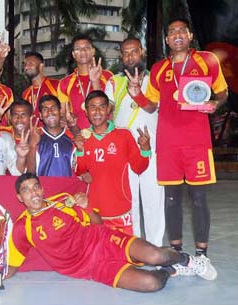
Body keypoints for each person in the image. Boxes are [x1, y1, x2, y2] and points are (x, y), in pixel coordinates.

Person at [6, 172, 217, 293]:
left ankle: (188, 260)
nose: (33, 192)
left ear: (42, 189)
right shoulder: (22, 228)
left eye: (35, 187)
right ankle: (172, 270)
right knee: (152, 283)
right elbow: (13, 266)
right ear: (19, 197)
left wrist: (87, 206)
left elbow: (97, 224)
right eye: (26, 190)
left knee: (157, 255)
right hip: (90, 267)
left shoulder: (62, 201)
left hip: (103, 240)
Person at [127, 19, 228, 258]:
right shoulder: (160, 68)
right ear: (167, 40)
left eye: (182, 30)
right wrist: (136, 93)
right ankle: (177, 252)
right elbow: (152, 107)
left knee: (198, 198)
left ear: (190, 35)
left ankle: (202, 255)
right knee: (171, 199)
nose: (177, 34)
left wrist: (216, 102)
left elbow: (222, 91)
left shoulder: (207, 60)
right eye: (172, 32)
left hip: (197, 143)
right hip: (168, 144)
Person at [105, 37, 165, 246]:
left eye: (134, 52)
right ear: (121, 56)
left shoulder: (155, 80)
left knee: (153, 200)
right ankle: (134, 245)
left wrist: (138, 93)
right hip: (123, 152)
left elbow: (152, 108)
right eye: (125, 53)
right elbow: (106, 115)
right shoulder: (113, 82)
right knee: (129, 200)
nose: (130, 57)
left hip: (152, 148)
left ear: (143, 52)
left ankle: (155, 246)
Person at [74, 91, 150, 234]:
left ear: (108, 110)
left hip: (120, 211)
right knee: (97, 254)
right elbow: (79, 170)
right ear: (86, 112)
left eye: (102, 107)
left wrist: (145, 150)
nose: (97, 112)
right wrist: (79, 150)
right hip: (93, 211)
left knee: (123, 253)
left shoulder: (124, 135)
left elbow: (139, 168)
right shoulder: (82, 138)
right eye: (92, 107)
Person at [58, 34, 114, 129]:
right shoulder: (65, 82)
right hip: (78, 135)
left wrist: (95, 81)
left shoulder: (108, 76)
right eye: (78, 49)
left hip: (104, 135)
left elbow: (110, 108)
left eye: (87, 48)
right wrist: (66, 119)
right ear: (73, 54)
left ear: (93, 51)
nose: (83, 51)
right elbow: (62, 113)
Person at [27, 95, 77, 177]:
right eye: (45, 109)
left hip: (67, 188)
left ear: (60, 111)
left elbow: (79, 171)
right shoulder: (35, 136)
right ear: (40, 115)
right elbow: (30, 173)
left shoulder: (72, 137)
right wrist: (32, 146)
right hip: (44, 188)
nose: (50, 112)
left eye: (53, 108)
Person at [21, 51, 60, 121]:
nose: (26, 67)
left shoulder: (56, 85)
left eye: (30, 63)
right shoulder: (25, 93)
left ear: (41, 66)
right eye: (25, 64)